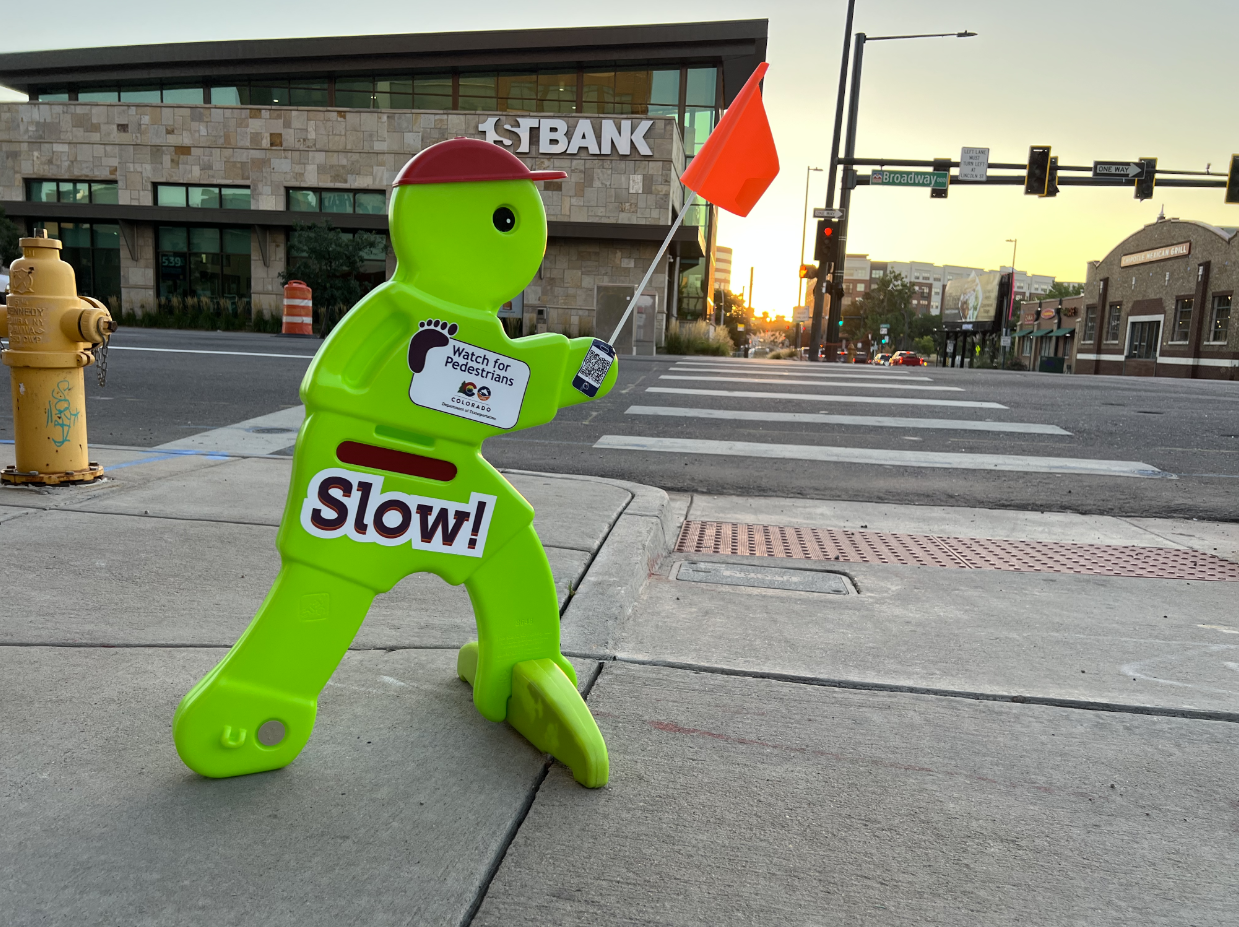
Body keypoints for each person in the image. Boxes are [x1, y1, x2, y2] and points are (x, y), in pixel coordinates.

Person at [173, 139, 618, 786]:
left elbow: (484, 385)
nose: (529, 239)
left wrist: (566, 368)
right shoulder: (416, 312)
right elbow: (500, 389)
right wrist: (574, 370)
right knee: (329, 591)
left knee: (506, 550)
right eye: (508, 218)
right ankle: (258, 702)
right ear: (447, 223)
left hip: (412, 473)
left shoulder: (419, 314)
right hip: (369, 476)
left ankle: (517, 660)